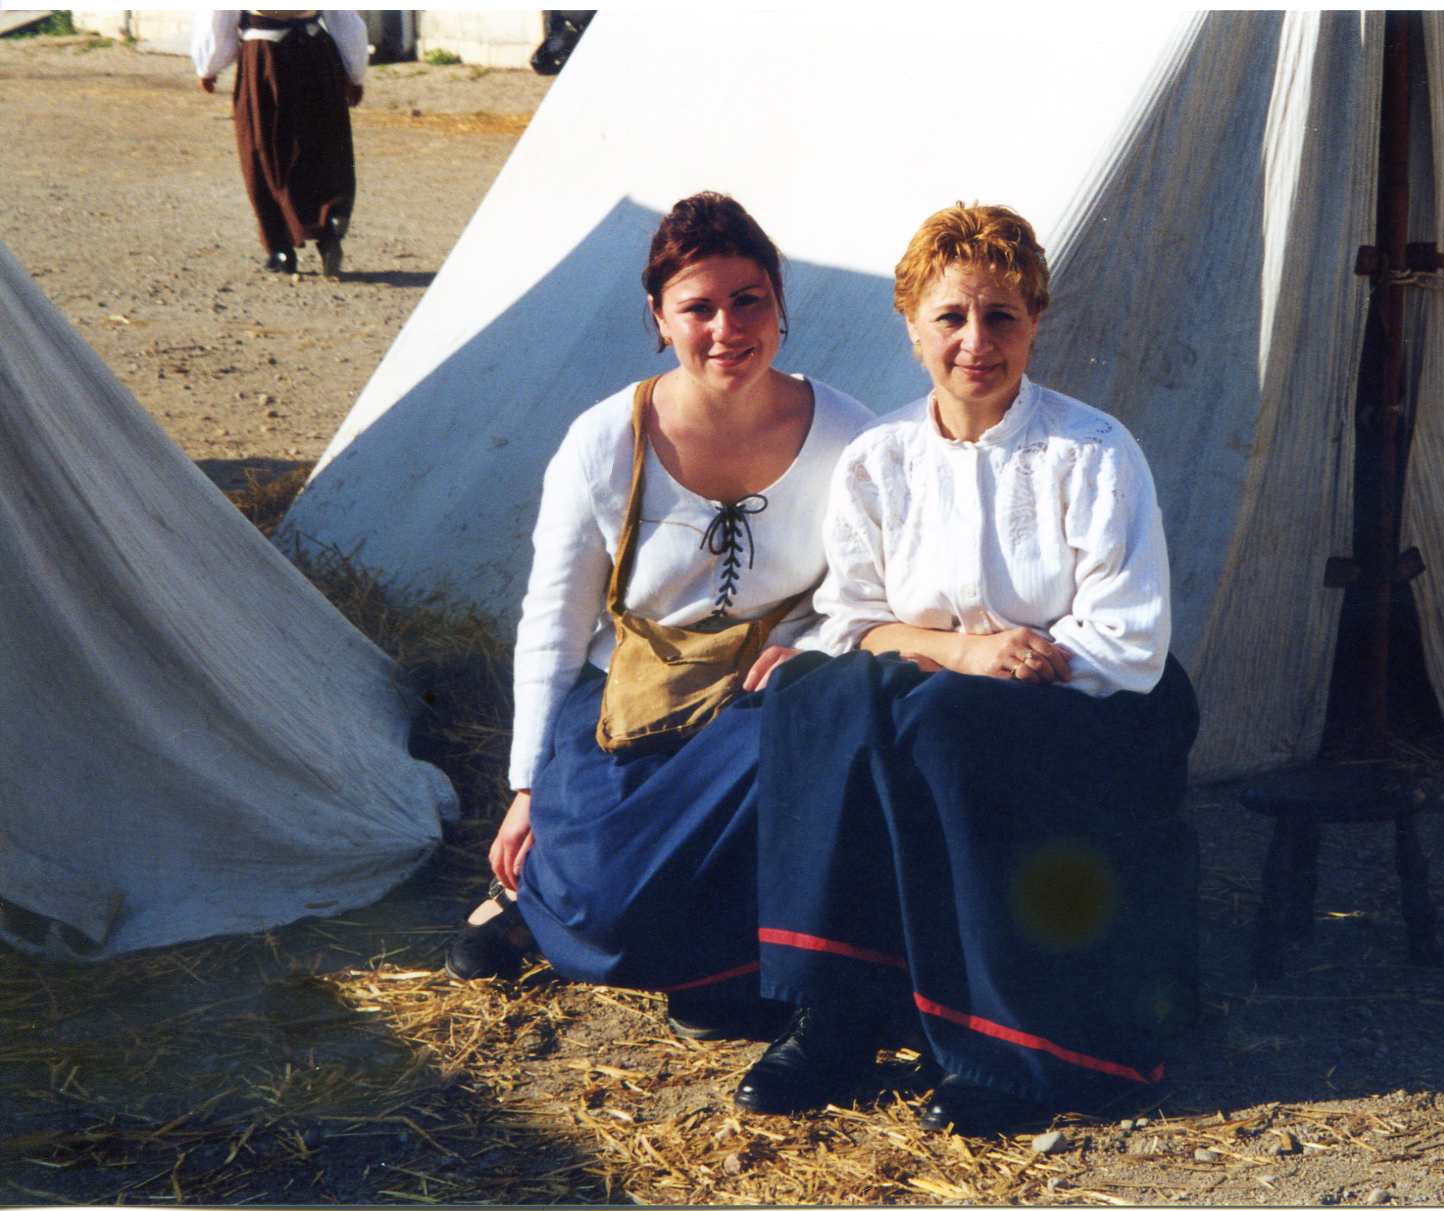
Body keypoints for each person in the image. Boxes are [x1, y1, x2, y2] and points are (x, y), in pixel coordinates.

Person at [736, 203, 1200, 1135]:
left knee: (945, 721)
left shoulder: (1094, 451)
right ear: (912, 327)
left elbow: (1130, 638)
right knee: (811, 694)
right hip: (943, 694)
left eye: (1003, 316)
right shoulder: (879, 460)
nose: (976, 342)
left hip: (1094, 707)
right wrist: (959, 652)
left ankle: (1011, 1047)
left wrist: (977, 675)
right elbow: (854, 622)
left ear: (1034, 323)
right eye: (952, 317)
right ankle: (838, 1006)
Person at [444, 192, 874, 1041]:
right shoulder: (606, 440)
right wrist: (526, 788)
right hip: (626, 700)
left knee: (805, 744)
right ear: (659, 318)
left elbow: (869, 592)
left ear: (781, 303)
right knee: (605, 900)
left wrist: (813, 649)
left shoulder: (849, 436)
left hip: (757, 704)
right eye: (698, 307)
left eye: (748, 299)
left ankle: (720, 971)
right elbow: (553, 624)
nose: (727, 327)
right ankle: (529, 897)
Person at [191, 11, 367, 277]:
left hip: (265, 58)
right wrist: (355, 72)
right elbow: (344, 18)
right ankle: (329, 222)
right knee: (323, 143)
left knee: (263, 150)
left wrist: (208, 67)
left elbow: (220, 16)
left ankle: (281, 249)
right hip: (315, 52)